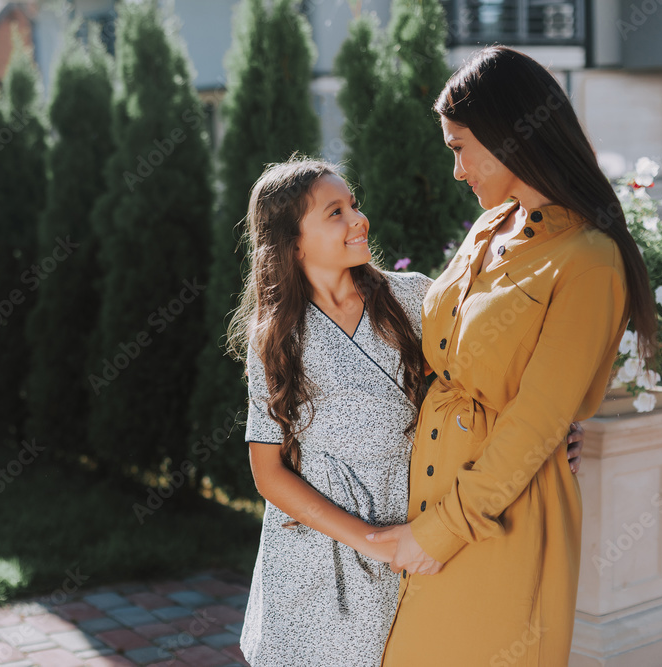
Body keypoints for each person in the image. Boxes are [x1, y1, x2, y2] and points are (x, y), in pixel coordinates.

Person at [229, 156, 586, 666]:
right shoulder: (277, 339)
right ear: (292, 242)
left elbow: (484, 381)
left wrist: (555, 429)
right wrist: (372, 542)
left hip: (418, 525)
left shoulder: (412, 296)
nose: (358, 219)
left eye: (353, 204)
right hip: (318, 551)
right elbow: (268, 473)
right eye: (335, 213)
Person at [370, 46, 658, 666]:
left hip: (499, 518)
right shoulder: (488, 226)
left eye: (459, 147)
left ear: (508, 137)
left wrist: (439, 533)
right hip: (422, 497)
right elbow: (440, 345)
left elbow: (534, 425)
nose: (455, 170)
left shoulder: (589, 258)